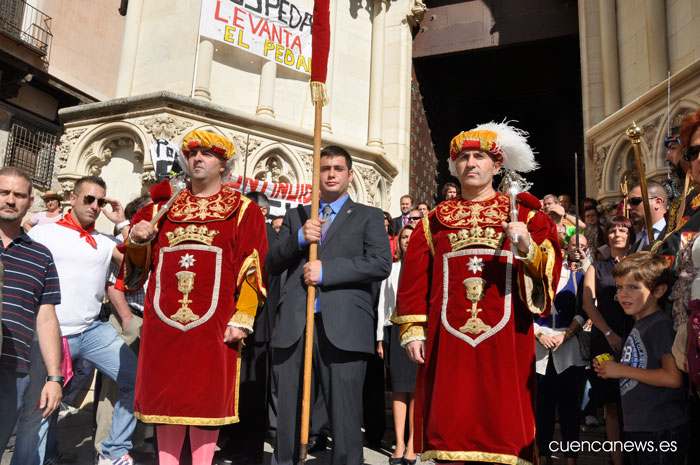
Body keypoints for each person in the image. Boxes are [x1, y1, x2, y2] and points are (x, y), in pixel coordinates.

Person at [393, 122, 561, 464]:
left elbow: (550, 270)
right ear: (455, 166)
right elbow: (414, 280)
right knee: (450, 424)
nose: (471, 163)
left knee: (505, 430)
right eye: (464, 157)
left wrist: (528, 246)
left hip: (506, 342)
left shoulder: (526, 216)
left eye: (479, 157)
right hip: (448, 342)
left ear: (496, 166)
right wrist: (413, 330)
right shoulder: (435, 220)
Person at [124, 129, 268, 465]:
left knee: (205, 403)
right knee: (168, 403)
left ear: (223, 164)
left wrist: (243, 318)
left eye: (207, 154)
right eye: (191, 154)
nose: (197, 158)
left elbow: (253, 268)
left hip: (215, 326)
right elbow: (135, 273)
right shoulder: (162, 209)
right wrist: (138, 240)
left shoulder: (245, 210)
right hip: (164, 326)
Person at [266, 145, 391, 465]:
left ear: (350, 175)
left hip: (345, 327)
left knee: (345, 414)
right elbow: (272, 263)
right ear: (316, 174)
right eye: (325, 168)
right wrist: (297, 240)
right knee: (290, 412)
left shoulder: (368, 216)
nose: (331, 174)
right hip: (296, 323)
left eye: (338, 168)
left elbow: (380, 264)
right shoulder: (297, 216)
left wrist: (328, 272)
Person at [27, 175, 136, 465]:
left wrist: (122, 222)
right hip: (50, 333)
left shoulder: (104, 242)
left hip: (91, 330)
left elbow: (136, 261)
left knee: (136, 380)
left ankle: (113, 452)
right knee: (44, 403)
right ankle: (45, 458)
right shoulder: (42, 234)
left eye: (100, 201)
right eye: (89, 199)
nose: (95, 206)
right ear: (72, 199)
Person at [595, 252, 688, 465]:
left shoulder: (659, 325)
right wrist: (611, 366)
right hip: (641, 428)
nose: (623, 295)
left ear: (658, 291)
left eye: (633, 287)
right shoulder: (641, 322)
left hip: (659, 430)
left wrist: (621, 370)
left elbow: (672, 377)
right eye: (619, 287)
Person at [0, 167, 62, 465]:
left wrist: (53, 376)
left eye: (19, 195)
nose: (10, 200)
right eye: (4, 193)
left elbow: (46, 318)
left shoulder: (40, 256)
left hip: (13, 370)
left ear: (30, 202)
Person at [216, 191, 277, 465]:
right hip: (228, 323)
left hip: (259, 327)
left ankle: (249, 452)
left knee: (251, 394)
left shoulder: (272, 237)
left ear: (260, 212)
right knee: (230, 389)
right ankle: (230, 442)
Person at [582, 216, 634, 465]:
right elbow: (587, 305)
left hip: (635, 338)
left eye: (622, 229)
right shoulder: (597, 267)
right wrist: (609, 333)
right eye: (612, 230)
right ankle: (617, 460)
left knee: (634, 400)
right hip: (604, 339)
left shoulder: (638, 263)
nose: (616, 234)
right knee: (611, 403)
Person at [534, 234, 587, 465]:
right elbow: (524, 309)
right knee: (542, 407)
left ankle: (571, 458)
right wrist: (538, 333)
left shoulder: (578, 276)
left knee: (569, 409)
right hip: (539, 349)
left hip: (569, 348)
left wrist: (568, 334)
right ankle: (543, 456)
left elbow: (584, 310)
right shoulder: (535, 277)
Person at [377, 224, 417, 465]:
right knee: (399, 388)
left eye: (412, 238)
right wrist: (379, 338)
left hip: (418, 334)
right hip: (394, 332)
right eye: (404, 237)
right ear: (399, 241)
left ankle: (413, 443)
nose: (407, 241)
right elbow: (383, 304)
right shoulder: (391, 269)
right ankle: (399, 443)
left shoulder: (425, 268)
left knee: (415, 391)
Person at [626, 181, 667, 251]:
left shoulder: (674, 232)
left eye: (634, 201)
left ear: (657, 202)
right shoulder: (638, 239)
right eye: (628, 202)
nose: (628, 207)